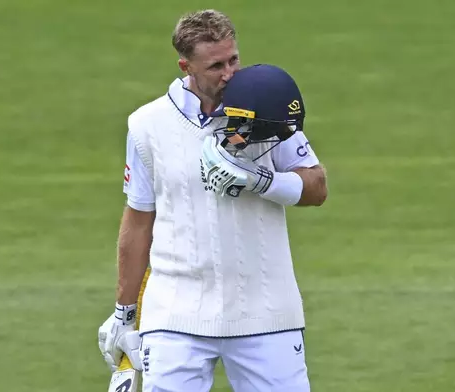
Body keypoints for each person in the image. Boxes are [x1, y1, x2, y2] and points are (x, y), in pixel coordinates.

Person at [98, 9, 328, 392]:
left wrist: (260, 180)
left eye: (233, 60)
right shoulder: (146, 124)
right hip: (175, 314)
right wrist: (125, 312)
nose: (229, 75)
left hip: (266, 313)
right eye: (216, 66)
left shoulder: (267, 107)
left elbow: (317, 187)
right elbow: (139, 221)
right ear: (186, 65)